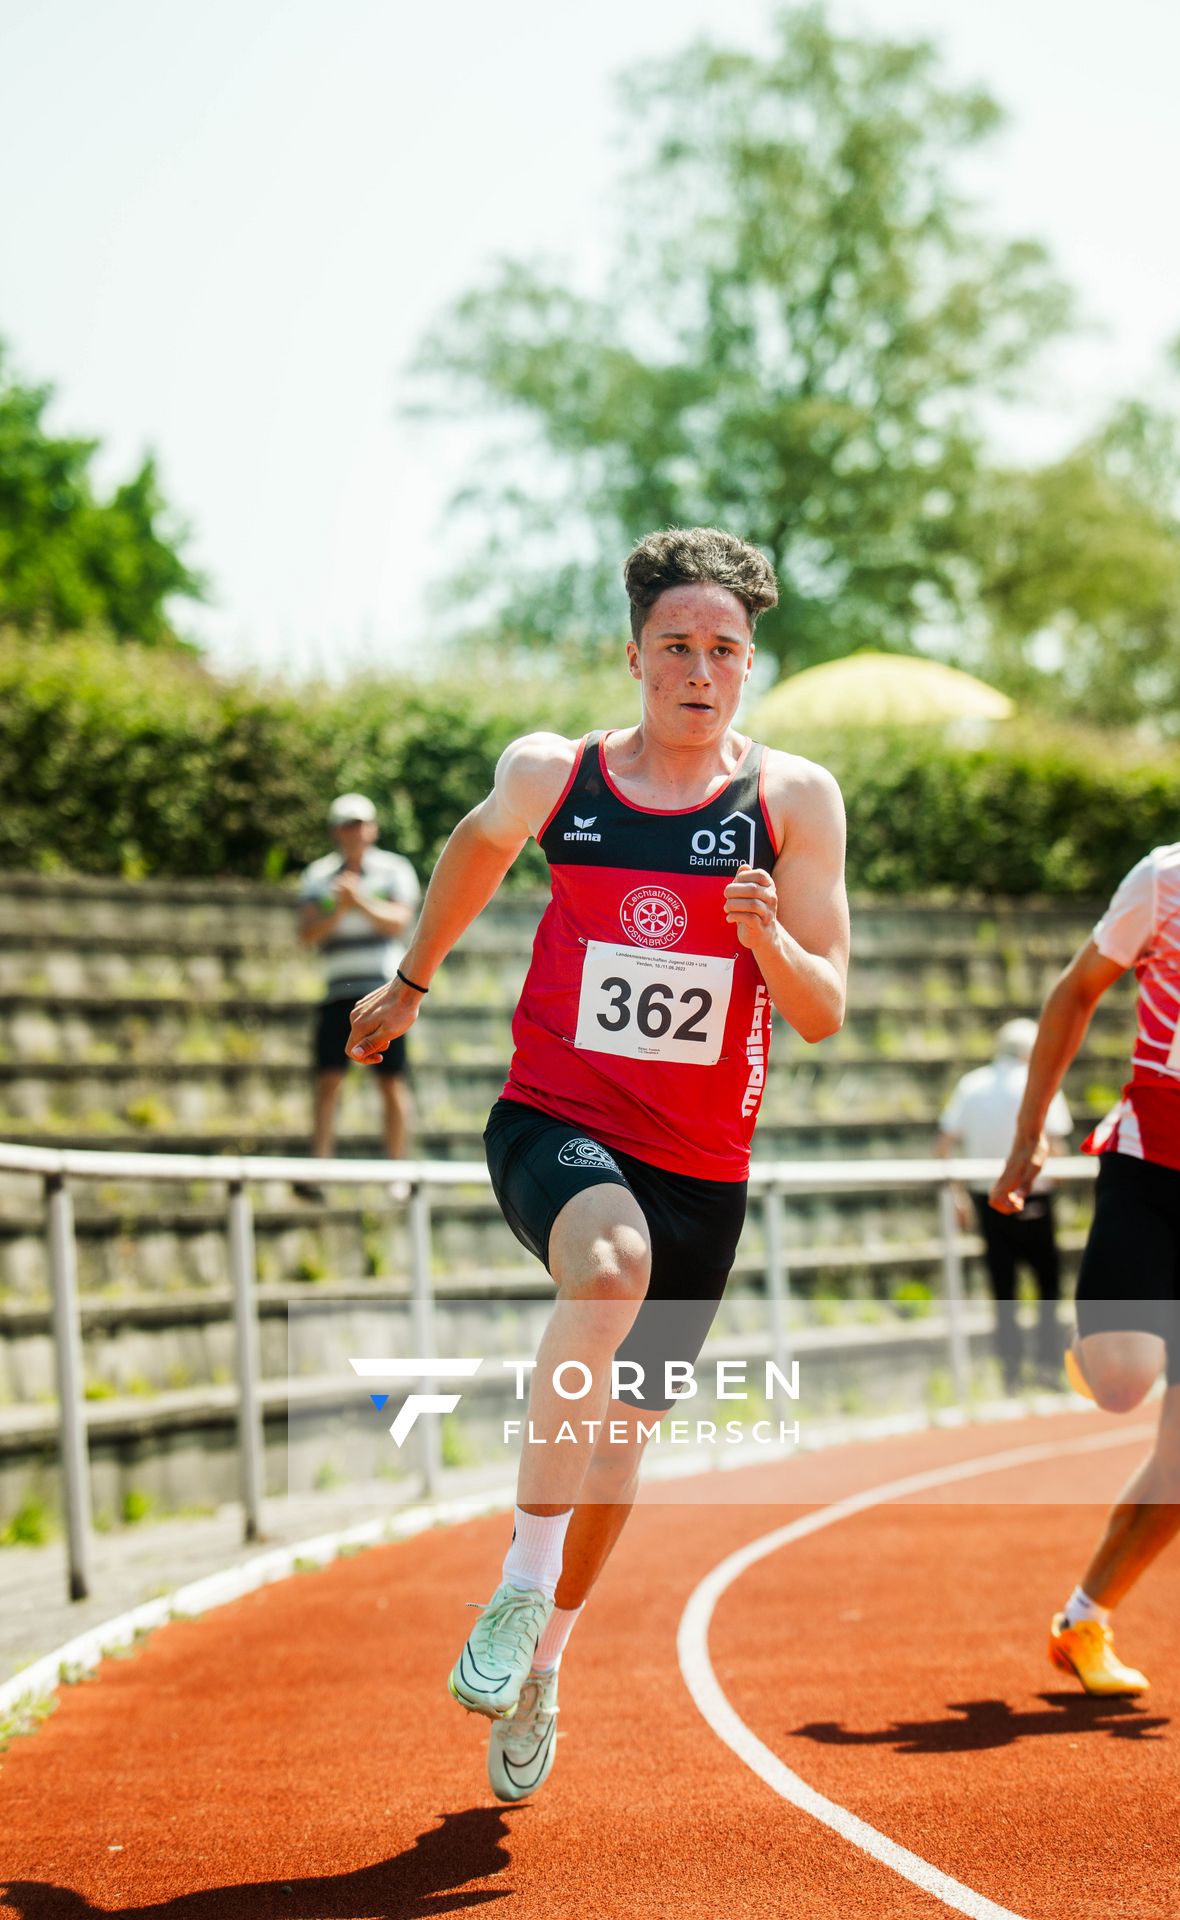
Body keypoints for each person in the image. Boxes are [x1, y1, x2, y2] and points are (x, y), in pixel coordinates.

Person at [347, 527, 849, 1801]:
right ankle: (517, 1588)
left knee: (619, 1447)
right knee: (607, 1262)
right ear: (633, 656)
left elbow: (823, 1007)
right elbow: (474, 849)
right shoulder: (556, 774)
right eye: (675, 646)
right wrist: (409, 985)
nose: (699, 668)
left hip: (703, 1169)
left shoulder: (792, 801)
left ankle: (546, 1663)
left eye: (723, 650)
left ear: (749, 668)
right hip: (554, 1120)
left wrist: (766, 941)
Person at [991, 761, 1180, 1696]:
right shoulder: (1176, 878)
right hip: (1156, 1170)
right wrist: (1029, 1137)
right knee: (1124, 1386)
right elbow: (1075, 990)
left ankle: (1085, 1621)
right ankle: (1101, 1345)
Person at [294, 793, 420, 1202]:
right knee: (328, 1080)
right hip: (337, 992)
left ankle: (397, 1171)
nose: (355, 832)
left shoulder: (393, 869)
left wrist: (356, 901)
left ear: (373, 828)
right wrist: (340, 908)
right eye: (347, 824)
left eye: (360, 823)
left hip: (384, 991)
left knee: (392, 1081)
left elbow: (399, 922)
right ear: (336, 831)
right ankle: (320, 1170)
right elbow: (307, 933)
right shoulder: (317, 875)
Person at [937, 1018, 1072, 1392]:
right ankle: (1047, 1368)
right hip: (1034, 1196)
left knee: (1003, 1288)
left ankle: (1010, 1373)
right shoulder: (1041, 1082)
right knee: (1048, 1287)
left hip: (987, 1197)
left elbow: (943, 1144)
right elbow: (1057, 1149)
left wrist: (958, 1196)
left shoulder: (972, 1085)